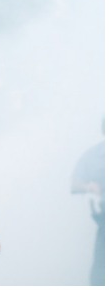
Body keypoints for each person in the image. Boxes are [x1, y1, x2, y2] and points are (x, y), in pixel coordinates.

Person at [71, 120, 104, 286]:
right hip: (105, 222)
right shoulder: (93, 156)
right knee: (100, 274)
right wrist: (88, 186)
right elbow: (75, 184)